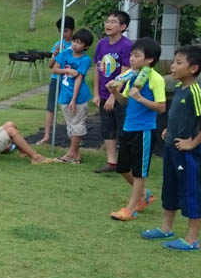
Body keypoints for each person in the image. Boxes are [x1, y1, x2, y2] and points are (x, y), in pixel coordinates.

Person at [141, 46, 201, 250]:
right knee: (170, 188)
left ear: (193, 68)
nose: (173, 66)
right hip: (172, 149)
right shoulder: (179, 88)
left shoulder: (195, 91)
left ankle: (192, 239)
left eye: (178, 62)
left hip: (187, 153)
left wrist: (192, 143)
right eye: (174, 61)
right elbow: (182, 117)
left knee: (191, 191)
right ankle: (166, 228)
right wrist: (170, 131)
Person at [106, 38, 166, 221]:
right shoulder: (132, 76)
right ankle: (145, 195)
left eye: (136, 55)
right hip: (128, 127)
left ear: (149, 59)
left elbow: (161, 107)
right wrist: (114, 92)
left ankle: (130, 209)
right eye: (131, 55)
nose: (131, 59)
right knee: (123, 168)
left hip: (144, 130)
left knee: (139, 171)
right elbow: (124, 101)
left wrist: (140, 99)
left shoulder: (155, 78)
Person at [93, 10, 133, 173]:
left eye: (113, 22)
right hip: (103, 93)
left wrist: (112, 96)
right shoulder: (101, 44)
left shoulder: (126, 45)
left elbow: (125, 72)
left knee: (123, 128)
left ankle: (125, 162)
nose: (108, 24)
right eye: (107, 21)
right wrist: (96, 93)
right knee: (107, 128)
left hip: (120, 95)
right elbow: (97, 69)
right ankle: (111, 162)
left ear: (123, 26)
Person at [51, 28, 94, 164]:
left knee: (77, 124)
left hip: (78, 96)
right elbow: (55, 69)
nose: (75, 45)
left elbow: (79, 79)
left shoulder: (85, 59)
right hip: (65, 94)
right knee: (70, 125)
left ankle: (70, 153)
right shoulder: (66, 53)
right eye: (75, 41)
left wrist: (74, 100)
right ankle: (76, 155)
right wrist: (68, 70)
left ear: (86, 46)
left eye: (80, 43)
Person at [36, 15, 75, 145]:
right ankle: (46, 136)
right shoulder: (58, 44)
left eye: (66, 31)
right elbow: (51, 65)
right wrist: (56, 55)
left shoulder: (76, 44)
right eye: (61, 31)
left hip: (69, 80)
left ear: (72, 30)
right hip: (56, 78)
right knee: (51, 107)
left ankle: (73, 136)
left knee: (69, 107)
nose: (63, 34)